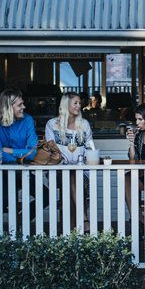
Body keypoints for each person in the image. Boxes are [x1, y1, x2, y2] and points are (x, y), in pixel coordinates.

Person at [45, 92, 93, 232]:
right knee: (71, 175)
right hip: (57, 172)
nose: (79, 106)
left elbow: (90, 149)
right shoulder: (52, 124)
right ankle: (84, 220)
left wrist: (86, 157)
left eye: (79, 103)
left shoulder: (84, 125)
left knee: (74, 175)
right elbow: (50, 150)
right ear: (66, 105)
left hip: (81, 172)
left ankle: (69, 233)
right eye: (75, 103)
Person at [0, 89, 38, 164]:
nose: (24, 107)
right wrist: (19, 160)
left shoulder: (28, 120)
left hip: (22, 170)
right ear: (8, 107)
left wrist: (9, 151)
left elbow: (35, 153)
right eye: (20, 105)